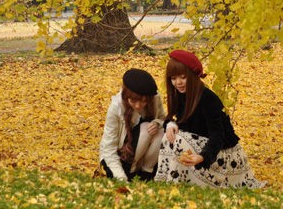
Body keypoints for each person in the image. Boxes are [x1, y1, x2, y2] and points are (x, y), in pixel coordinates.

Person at [154, 50, 264, 188]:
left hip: (222, 155)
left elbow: (218, 136)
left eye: (183, 77)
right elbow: (171, 118)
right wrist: (170, 124)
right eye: (173, 78)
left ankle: (183, 182)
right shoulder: (179, 95)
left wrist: (203, 157)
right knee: (169, 136)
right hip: (199, 146)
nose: (178, 83)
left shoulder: (208, 98)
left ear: (193, 76)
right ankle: (169, 181)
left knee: (179, 139)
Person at [99, 68, 166, 181]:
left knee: (161, 131)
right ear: (126, 96)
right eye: (133, 101)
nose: (138, 106)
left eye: (144, 101)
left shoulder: (154, 98)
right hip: (121, 159)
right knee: (145, 128)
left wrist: (157, 123)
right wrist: (120, 177)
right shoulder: (116, 107)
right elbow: (108, 148)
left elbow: (163, 119)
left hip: (145, 161)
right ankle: (131, 173)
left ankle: (146, 174)